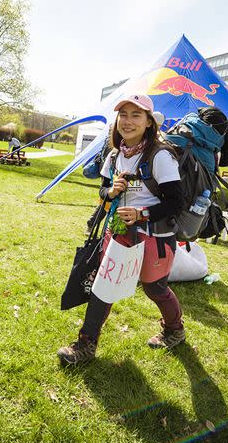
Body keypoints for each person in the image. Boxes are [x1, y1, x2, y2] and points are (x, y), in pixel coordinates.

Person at [57, 94, 186, 365]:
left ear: (149, 122)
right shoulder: (115, 154)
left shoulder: (160, 156)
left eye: (136, 115)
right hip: (118, 234)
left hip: (155, 238)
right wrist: (111, 190)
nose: (127, 121)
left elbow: (177, 202)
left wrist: (143, 213)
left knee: (155, 290)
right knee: (104, 286)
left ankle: (175, 330)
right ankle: (86, 344)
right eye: (123, 115)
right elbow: (102, 192)